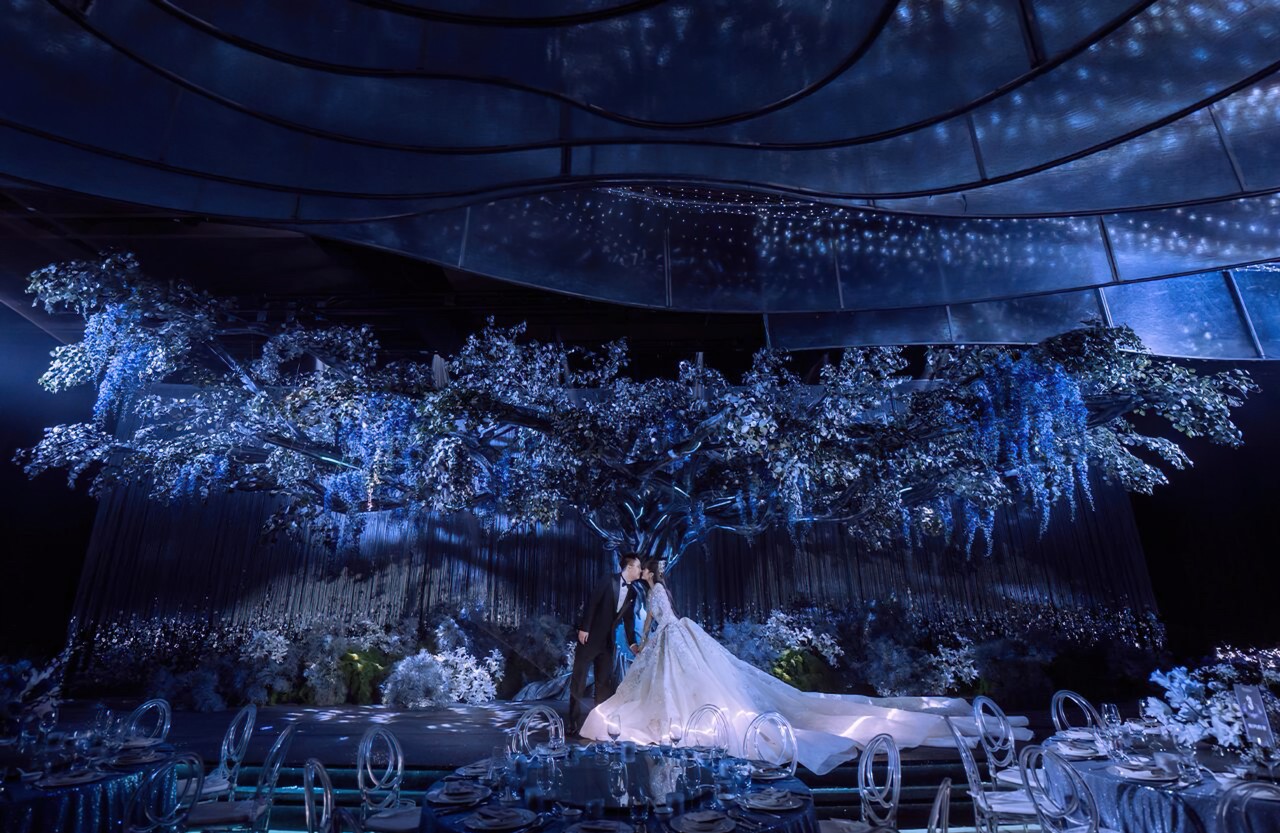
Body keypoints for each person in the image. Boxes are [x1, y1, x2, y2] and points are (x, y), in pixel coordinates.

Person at [580, 558, 1031, 775]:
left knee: (678, 685)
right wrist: (641, 642)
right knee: (678, 683)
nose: (643, 571)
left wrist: (642, 642)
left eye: (645, 568)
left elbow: (657, 621)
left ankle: (686, 723)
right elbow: (651, 622)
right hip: (669, 639)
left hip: (669, 639)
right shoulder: (648, 591)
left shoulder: (654, 592)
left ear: (648, 572)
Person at [567, 552, 641, 736]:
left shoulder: (633, 592)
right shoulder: (608, 580)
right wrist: (584, 628)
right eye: (638, 566)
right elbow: (592, 602)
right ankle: (573, 721)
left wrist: (632, 643)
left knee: (603, 683)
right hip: (590, 638)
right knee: (579, 680)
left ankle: (598, 723)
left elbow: (629, 620)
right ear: (629, 567)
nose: (640, 570)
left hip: (608, 642)